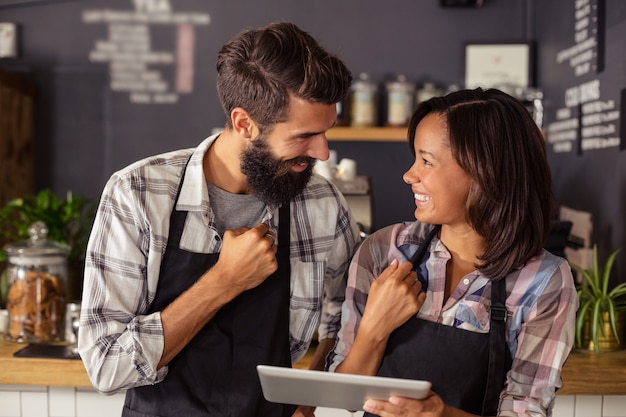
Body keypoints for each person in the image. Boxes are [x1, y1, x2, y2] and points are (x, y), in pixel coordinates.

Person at [78, 21, 361, 417]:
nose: (323, 152)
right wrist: (224, 281)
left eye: (326, 131)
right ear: (244, 123)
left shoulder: (321, 202)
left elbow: (348, 315)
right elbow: (107, 367)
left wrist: (309, 399)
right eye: (303, 136)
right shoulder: (138, 194)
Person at [327, 88, 578, 417]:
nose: (409, 175)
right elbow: (341, 400)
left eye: (427, 161)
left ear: (486, 171)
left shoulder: (543, 282)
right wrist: (374, 331)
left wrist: (439, 415)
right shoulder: (382, 250)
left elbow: (524, 411)